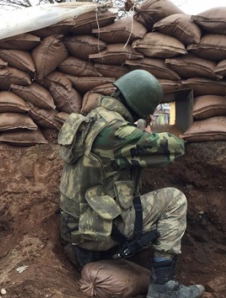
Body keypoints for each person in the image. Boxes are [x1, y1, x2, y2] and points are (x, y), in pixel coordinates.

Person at [58, 69, 204, 298]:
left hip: (76, 229)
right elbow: (174, 148)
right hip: (99, 233)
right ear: (142, 106)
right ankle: (163, 288)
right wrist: (152, 131)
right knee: (174, 200)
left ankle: (89, 257)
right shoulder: (116, 132)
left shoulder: (93, 119)